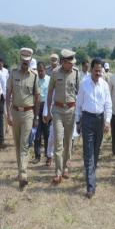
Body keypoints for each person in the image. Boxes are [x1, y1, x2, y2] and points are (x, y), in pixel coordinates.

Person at [75, 58, 112, 198]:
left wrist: (107, 121)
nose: (98, 73)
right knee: (88, 151)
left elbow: (108, 104)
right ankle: (90, 186)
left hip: (100, 120)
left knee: (96, 151)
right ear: (91, 70)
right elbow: (78, 104)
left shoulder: (104, 85)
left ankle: (91, 175)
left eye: (100, 71)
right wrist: (78, 121)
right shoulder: (84, 84)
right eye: (96, 70)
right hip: (87, 119)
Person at [6, 48, 40, 191]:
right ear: (20, 60)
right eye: (23, 61)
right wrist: (8, 113)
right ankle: (21, 171)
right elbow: (8, 93)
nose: (25, 64)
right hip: (15, 112)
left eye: (28, 61)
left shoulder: (34, 76)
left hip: (28, 113)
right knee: (18, 144)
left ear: (30, 61)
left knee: (24, 144)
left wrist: (36, 116)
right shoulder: (13, 74)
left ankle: (23, 174)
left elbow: (37, 97)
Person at [45, 49, 79, 184]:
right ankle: (58, 172)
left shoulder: (76, 73)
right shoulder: (54, 73)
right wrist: (48, 111)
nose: (72, 65)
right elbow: (49, 93)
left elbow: (79, 93)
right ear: (63, 62)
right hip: (57, 110)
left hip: (71, 110)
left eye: (72, 63)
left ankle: (66, 167)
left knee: (68, 141)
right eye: (69, 62)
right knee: (58, 141)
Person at [32, 62, 51, 165]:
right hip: (37, 107)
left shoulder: (49, 79)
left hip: (46, 107)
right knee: (37, 133)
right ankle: (37, 156)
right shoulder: (35, 80)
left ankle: (48, 156)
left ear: (45, 70)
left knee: (47, 133)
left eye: (42, 70)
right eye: (38, 71)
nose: (40, 72)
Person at [0, 58, 9, 149]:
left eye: (1, 64)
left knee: (4, 116)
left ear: (3, 63)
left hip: (5, 96)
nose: (0, 65)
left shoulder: (6, 71)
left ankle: (2, 139)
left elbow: (7, 83)